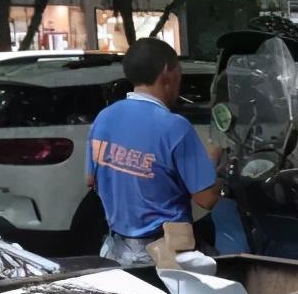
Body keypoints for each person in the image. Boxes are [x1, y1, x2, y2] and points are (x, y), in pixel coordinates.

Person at [86, 38, 219, 266]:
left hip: (116, 252)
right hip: (165, 257)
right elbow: (206, 199)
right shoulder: (175, 126)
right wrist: (218, 167)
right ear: (168, 71)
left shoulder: (104, 118)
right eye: (179, 69)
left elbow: (91, 180)